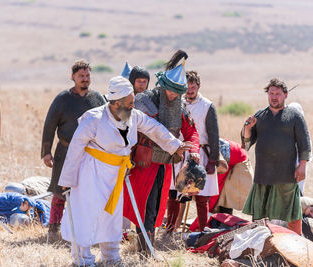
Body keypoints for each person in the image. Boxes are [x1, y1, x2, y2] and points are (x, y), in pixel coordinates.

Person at [58, 76, 193, 266]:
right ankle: (83, 259)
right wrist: (68, 179)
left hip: (116, 173)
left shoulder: (133, 116)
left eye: (133, 102)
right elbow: (75, 148)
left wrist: (175, 145)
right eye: (129, 103)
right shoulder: (93, 118)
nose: (132, 106)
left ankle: (111, 257)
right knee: (87, 215)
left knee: (111, 217)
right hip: (91, 173)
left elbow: (154, 128)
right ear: (115, 103)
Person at [122, 50, 200, 253]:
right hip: (143, 161)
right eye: (170, 91)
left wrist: (194, 150)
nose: (173, 95)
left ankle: (149, 247)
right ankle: (143, 250)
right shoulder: (144, 101)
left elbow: (191, 131)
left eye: (177, 92)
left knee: (156, 207)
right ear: (163, 86)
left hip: (164, 164)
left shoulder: (179, 106)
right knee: (143, 205)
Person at [41, 59, 106, 242]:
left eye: (87, 76)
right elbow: (49, 126)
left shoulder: (98, 99)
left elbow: (106, 124)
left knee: (88, 192)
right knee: (60, 190)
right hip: (66, 151)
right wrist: (46, 152)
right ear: (73, 77)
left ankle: (85, 229)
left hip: (90, 153)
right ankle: (54, 228)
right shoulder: (62, 99)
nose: (85, 79)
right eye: (81, 76)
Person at [242, 78, 311, 235]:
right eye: (271, 93)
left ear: (285, 95)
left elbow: (304, 144)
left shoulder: (294, 116)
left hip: (286, 174)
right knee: (260, 215)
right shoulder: (260, 115)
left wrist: (302, 166)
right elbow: (246, 143)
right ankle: (260, 245)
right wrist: (247, 127)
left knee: (292, 214)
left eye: (278, 94)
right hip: (263, 174)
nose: (274, 97)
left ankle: (296, 246)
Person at [183, 70, 220, 232]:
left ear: (198, 86)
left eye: (193, 86)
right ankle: (171, 230)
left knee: (201, 195)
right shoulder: (178, 103)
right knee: (178, 193)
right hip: (182, 154)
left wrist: (212, 161)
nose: (190, 90)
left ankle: (202, 230)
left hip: (202, 155)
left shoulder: (207, 106)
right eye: (187, 87)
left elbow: (214, 135)